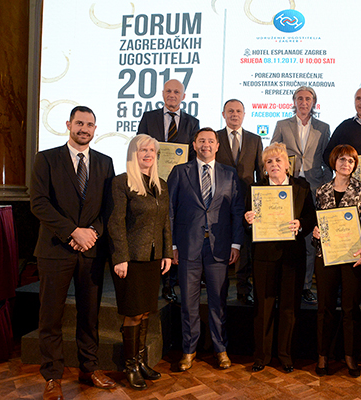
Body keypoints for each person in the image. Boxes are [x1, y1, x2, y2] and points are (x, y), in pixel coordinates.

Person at [30, 106, 116, 400]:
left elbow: (108, 208)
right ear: (69, 124)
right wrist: (72, 232)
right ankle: (52, 376)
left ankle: (89, 368)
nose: (84, 129)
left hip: (91, 251)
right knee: (51, 316)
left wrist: (91, 233)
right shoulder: (46, 159)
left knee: (89, 315)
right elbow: (39, 203)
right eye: (79, 123)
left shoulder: (105, 162)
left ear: (95, 129)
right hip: (55, 250)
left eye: (89, 124)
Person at [168, 128, 245, 371]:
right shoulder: (179, 172)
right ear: (194, 145)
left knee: (218, 302)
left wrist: (235, 244)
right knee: (188, 303)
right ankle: (188, 350)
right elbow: (170, 211)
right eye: (201, 141)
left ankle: (220, 349)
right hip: (187, 247)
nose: (206, 145)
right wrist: (172, 245)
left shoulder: (229, 174)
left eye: (211, 141)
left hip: (219, 248)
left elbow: (237, 211)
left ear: (218, 145)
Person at [107, 134, 173, 390]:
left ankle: (141, 361)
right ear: (133, 154)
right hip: (131, 259)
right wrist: (120, 257)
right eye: (142, 150)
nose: (147, 154)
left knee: (145, 312)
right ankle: (130, 367)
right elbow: (116, 222)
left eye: (151, 151)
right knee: (133, 313)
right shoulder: (121, 182)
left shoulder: (161, 184)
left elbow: (165, 222)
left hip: (153, 259)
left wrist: (167, 253)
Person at [244, 143, 316, 373]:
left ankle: (285, 355)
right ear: (264, 168)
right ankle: (261, 356)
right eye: (269, 161)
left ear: (287, 165)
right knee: (263, 307)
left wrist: (300, 224)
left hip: (292, 257)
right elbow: (246, 226)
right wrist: (248, 221)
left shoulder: (302, 187)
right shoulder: (256, 189)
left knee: (289, 307)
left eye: (278, 160)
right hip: (264, 256)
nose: (274, 164)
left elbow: (311, 217)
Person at [311, 145, 361, 377]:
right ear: (333, 162)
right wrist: (316, 233)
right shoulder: (322, 190)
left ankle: (350, 355)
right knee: (325, 308)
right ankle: (323, 355)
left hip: (353, 257)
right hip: (326, 256)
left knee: (350, 308)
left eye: (350, 160)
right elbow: (318, 222)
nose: (346, 164)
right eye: (341, 159)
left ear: (355, 165)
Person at [138, 78, 200, 303]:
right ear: (163, 94)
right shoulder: (149, 118)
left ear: (183, 96)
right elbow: (138, 146)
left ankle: (169, 284)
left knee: (171, 233)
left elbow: (194, 156)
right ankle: (149, 281)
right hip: (150, 183)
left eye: (177, 92)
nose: (172, 95)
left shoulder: (193, 122)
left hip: (179, 186)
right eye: (168, 91)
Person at [271, 86, 332, 305]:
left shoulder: (323, 128)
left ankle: (305, 286)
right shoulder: (282, 125)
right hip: (288, 188)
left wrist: (324, 185)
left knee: (308, 241)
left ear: (313, 102)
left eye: (308, 99)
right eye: (300, 98)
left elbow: (327, 159)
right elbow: (273, 154)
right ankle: (279, 285)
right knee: (283, 236)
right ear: (294, 101)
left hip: (313, 188)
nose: (303, 102)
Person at [216, 99, 263, 306]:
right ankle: (220, 291)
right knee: (220, 246)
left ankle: (244, 290)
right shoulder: (214, 138)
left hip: (246, 202)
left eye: (238, 111)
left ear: (244, 114)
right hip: (219, 201)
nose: (234, 114)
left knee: (244, 249)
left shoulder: (255, 139)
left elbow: (260, 172)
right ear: (223, 114)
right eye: (230, 111)